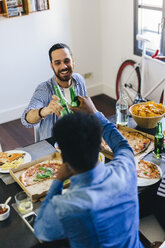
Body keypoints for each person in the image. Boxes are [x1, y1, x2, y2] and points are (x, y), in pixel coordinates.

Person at [34, 96, 144, 248]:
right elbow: (123, 147)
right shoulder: (125, 169)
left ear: (63, 156)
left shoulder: (64, 207)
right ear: (100, 146)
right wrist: (95, 113)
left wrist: (58, 181)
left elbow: (40, 230)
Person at [21, 43, 87, 141]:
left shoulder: (79, 79)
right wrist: (45, 110)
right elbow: (26, 119)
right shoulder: (44, 89)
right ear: (52, 66)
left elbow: (85, 111)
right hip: (56, 146)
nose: (64, 66)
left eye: (67, 61)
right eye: (57, 63)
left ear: (73, 61)